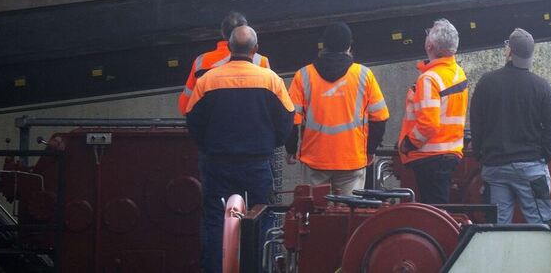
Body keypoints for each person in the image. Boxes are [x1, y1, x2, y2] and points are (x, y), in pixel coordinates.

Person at [185, 26, 293, 273]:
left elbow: (193, 120)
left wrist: (208, 146)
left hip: (218, 162)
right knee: (262, 215)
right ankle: (260, 268)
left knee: (215, 218)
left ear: (229, 48)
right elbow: (287, 120)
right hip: (257, 162)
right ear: (255, 49)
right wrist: (271, 143)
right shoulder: (271, 80)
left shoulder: (208, 80)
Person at [285, 22, 389, 196]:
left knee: (315, 210)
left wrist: (291, 149)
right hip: (352, 159)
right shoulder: (364, 75)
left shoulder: (304, 75)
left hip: (316, 160)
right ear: (349, 46)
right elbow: (380, 118)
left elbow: (291, 118)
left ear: (323, 45)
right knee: (349, 210)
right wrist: (370, 150)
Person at [470, 28, 551, 224]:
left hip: (494, 166)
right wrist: (545, 156)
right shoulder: (541, 86)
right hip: (531, 167)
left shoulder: (486, 83)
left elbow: (476, 123)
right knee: (540, 225)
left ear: (509, 51)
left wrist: (480, 155)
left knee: (497, 225)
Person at [398, 19, 468, 204]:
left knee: (433, 213)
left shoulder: (429, 79)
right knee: (439, 210)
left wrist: (408, 144)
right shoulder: (457, 73)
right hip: (449, 152)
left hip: (429, 156)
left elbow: (428, 124)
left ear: (430, 45)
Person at [178, 11, 271, 113]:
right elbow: (272, 104)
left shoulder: (201, 62)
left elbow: (185, 107)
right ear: (247, 33)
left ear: (222, 33)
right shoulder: (261, 61)